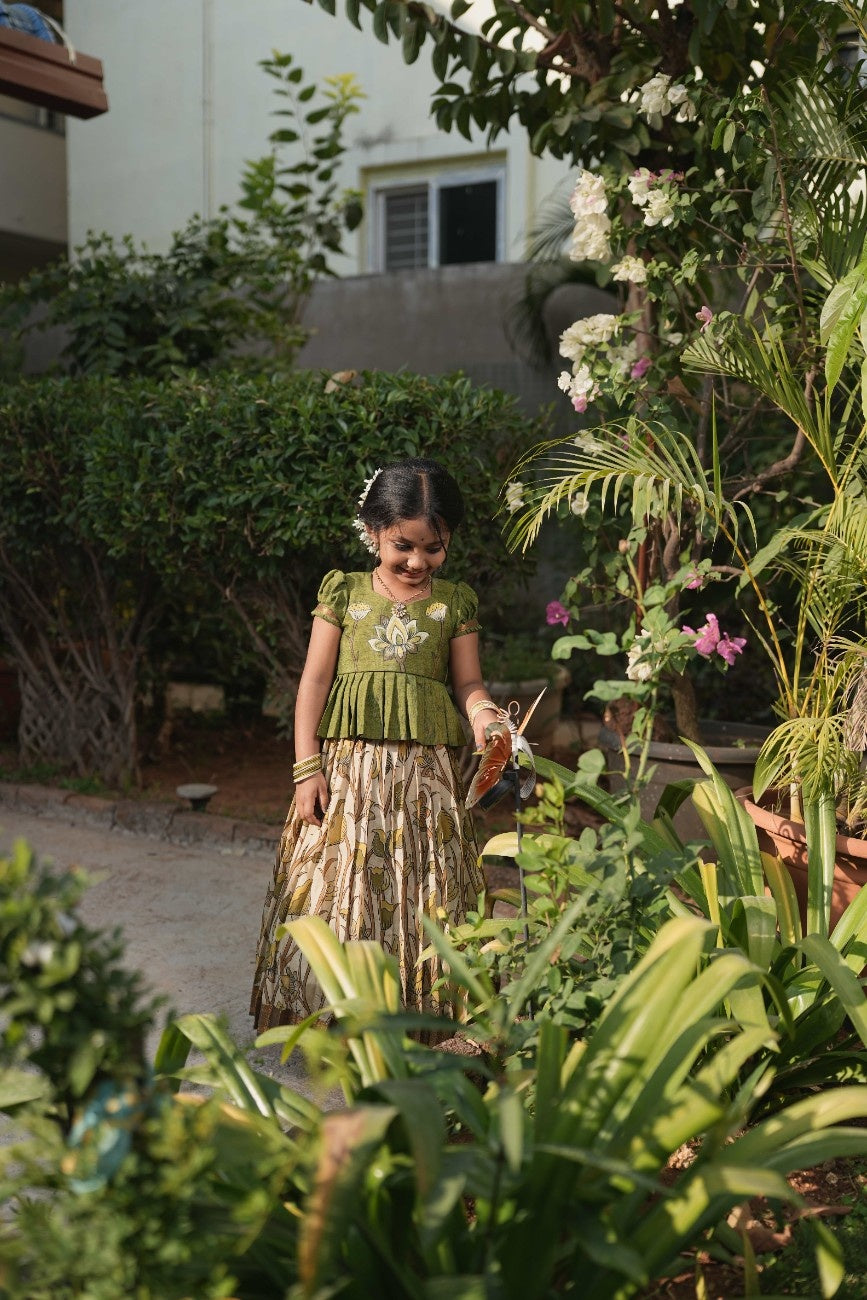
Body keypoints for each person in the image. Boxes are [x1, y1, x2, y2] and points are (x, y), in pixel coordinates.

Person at [249, 457, 501, 1033]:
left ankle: (419, 1017)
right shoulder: (345, 593)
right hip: (348, 778)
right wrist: (306, 767)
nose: (417, 561)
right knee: (344, 885)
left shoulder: (453, 603)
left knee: (423, 887)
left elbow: (468, 682)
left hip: (425, 782)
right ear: (373, 532)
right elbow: (314, 681)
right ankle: (335, 1018)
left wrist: (485, 716)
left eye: (433, 548)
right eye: (402, 546)